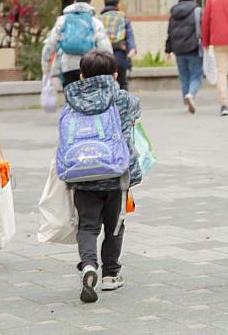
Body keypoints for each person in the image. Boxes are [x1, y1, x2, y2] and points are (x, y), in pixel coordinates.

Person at [61, 50, 141, 303]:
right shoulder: (125, 100)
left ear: (82, 75)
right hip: (116, 175)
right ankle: (110, 274)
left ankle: (88, 264)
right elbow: (133, 125)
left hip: (82, 175)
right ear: (115, 75)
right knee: (114, 225)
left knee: (87, 226)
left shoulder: (72, 100)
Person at [42, 0, 112, 87]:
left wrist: (46, 67)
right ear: (90, 2)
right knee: (88, 98)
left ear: (74, 1)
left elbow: (51, 44)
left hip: (67, 66)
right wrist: (109, 69)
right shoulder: (95, 22)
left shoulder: (63, 20)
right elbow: (105, 48)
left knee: (71, 97)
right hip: (89, 66)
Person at [165, 0, 203, 114]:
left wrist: (168, 50)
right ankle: (190, 95)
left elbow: (170, 32)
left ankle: (187, 105)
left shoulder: (173, 13)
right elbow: (201, 28)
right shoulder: (197, 10)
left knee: (184, 77)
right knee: (196, 75)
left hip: (178, 50)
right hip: (193, 48)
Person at [101, 0, 137, 91]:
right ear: (117, 4)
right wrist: (132, 50)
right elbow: (130, 37)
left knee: (105, 86)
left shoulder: (99, 19)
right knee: (122, 84)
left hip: (103, 57)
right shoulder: (123, 18)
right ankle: (122, 105)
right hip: (120, 55)